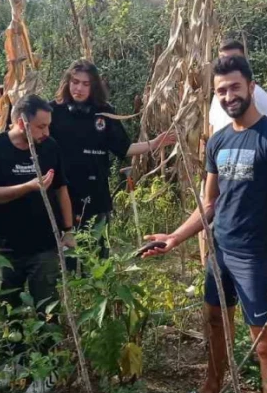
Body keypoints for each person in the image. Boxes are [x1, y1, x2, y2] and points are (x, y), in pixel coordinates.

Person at [144, 55, 267, 393]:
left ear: (252, 87)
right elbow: (209, 204)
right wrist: (174, 237)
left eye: (235, 87)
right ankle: (211, 388)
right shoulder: (217, 142)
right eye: (221, 90)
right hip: (219, 251)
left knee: (264, 343)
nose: (228, 95)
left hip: (255, 256)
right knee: (215, 321)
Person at [0, 94, 74, 393]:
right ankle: (16, 362)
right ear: (21, 122)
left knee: (47, 306)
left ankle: (47, 367)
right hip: (5, 247)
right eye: (41, 126)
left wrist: (68, 231)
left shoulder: (50, 147)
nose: (46, 132)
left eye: (48, 126)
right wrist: (28, 187)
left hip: (44, 244)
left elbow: (61, 190)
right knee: (10, 308)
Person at [48, 59, 176, 259]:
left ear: (94, 86)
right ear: (67, 83)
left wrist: (154, 143)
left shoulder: (105, 112)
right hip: (62, 193)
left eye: (85, 83)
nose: (78, 88)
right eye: (75, 82)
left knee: (98, 253)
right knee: (66, 256)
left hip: (96, 193)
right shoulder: (52, 111)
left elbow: (124, 149)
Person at [208, 39, 267, 135]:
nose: (229, 63)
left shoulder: (256, 93)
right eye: (223, 59)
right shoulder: (219, 95)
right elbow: (212, 127)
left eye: (234, 59)